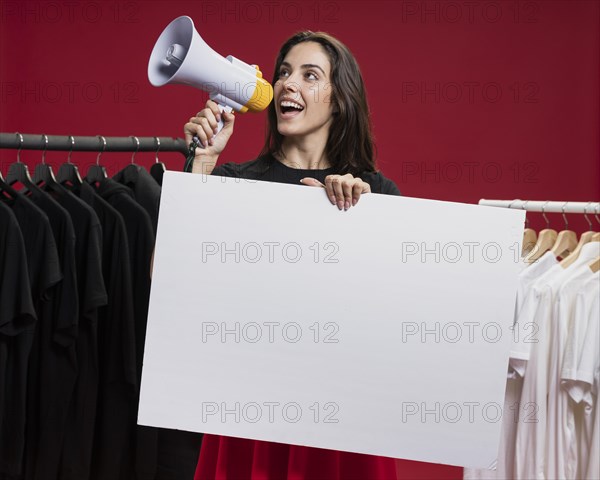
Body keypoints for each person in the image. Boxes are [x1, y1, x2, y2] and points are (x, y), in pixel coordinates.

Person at [184, 31, 400, 480]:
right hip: (249, 411)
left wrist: (358, 223)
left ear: (339, 99)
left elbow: (397, 320)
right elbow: (168, 279)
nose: (287, 84)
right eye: (283, 73)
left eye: (309, 75)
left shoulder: (374, 193)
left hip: (342, 415)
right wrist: (200, 165)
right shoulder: (231, 181)